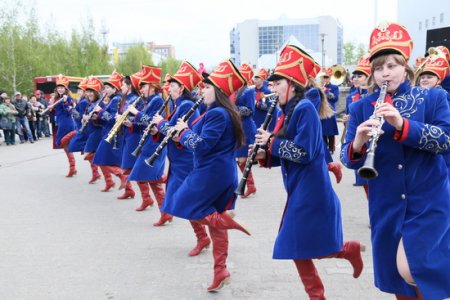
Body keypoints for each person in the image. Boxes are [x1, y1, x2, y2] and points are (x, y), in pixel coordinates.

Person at [340, 22, 450, 299]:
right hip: (386, 201)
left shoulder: (433, 97)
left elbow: (445, 139)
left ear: (406, 66)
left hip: (427, 199)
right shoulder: (360, 107)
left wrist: (402, 124)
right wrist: (359, 142)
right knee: (397, 280)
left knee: (413, 269)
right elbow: (348, 159)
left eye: (391, 65)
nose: (385, 73)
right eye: (378, 68)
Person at [255, 44, 364, 299]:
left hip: (311, 189)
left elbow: (303, 152)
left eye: (277, 83)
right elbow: (289, 152)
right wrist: (264, 154)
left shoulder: (303, 108)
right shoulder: (289, 110)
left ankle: (321, 291)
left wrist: (270, 142)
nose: (273, 88)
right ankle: (346, 250)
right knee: (299, 245)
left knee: (294, 245)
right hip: (301, 187)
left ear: (291, 84)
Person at [167, 59, 251, 292]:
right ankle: (220, 270)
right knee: (216, 228)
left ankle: (228, 220)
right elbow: (201, 140)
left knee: (179, 203)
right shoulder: (217, 112)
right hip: (221, 173)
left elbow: (202, 145)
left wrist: (183, 133)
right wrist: (181, 133)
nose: (201, 90)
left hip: (210, 174)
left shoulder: (217, 114)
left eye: (206, 87)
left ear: (219, 91)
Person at [151, 61, 210, 258]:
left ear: (182, 88)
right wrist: (157, 128)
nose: (169, 89)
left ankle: (207, 233)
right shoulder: (178, 104)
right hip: (177, 160)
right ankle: (203, 234)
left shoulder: (185, 104)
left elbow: (179, 134)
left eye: (173, 87)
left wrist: (160, 125)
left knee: (187, 199)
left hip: (185, 160)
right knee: (182, 199)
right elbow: (170, 130)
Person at [126, 66, 167, 213]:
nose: (141, 89)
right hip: (149, 142)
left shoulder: (156, 100)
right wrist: (131, 123)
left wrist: (136, 113)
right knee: (144, 175)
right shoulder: (149, 100)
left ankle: (164, 209)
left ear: (152, 86)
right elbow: (145, 123)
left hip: (154, 143)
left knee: (149, 176)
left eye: (143, 85)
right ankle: (160, 207)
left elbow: (151, 121)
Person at [93, 71, 128, 191]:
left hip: (112, 133)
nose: (105, 90)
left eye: (108, 87)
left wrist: (100, 111)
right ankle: (127, 189)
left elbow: (113, 119)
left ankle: (121, 177)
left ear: (115, 88)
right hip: (108, 132)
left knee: (101, 158)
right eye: (105, 87)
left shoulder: (116, 99)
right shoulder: (114, 99)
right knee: (104, 159)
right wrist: (96, 118)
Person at [342, 55, 371, 197]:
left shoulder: (372, 95)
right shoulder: (351, 96)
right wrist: (347, 117)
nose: (356, 78)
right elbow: (350, 112)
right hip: (357, 131)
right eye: (355, 76)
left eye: (360, 76)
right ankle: (359, 179)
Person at [68, 78, 101, 184]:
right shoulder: (83, 101)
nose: (79, 92)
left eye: (81, 90)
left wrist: (72, 109)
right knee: (86, 152)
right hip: (83, 128)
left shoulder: (83, 102)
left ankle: (98, 172)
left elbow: (80, 116)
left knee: (74, 146)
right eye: (79, 90)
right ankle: (97, 173)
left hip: (85, 130)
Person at [234, 64, 257, 198]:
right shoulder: (237, 90)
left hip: (246, 128)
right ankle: (250, 185)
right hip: (239, 126)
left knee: (242, 159)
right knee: (241, 159)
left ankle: (250, 185)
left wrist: (232, 108)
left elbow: (249, 110)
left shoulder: (248, 91)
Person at [51, 75, 77, 177]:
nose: (60, 89)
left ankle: (73, 168)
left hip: (67, 123)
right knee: (66, 146)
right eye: (59, 87)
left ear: (65, 89)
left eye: (62, 88)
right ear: (56, 89)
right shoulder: (56, 98)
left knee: (62, 143)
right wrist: (51, 109)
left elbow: (68, 111)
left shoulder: (69, 98)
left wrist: (66, 101)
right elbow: (56, 113)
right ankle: (72, 168)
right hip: (60, 123)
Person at [320, 68, 339, 154]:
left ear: (330, 78)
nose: (325, 79)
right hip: (322, 111)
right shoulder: (319, 87)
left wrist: (326, 92)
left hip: (330, 110)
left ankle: (331, 148)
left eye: (327, 77)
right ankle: (324, 147)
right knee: (323, 131)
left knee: (331, 131)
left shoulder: (334, 87)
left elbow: (335, 98)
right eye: (324, 77)